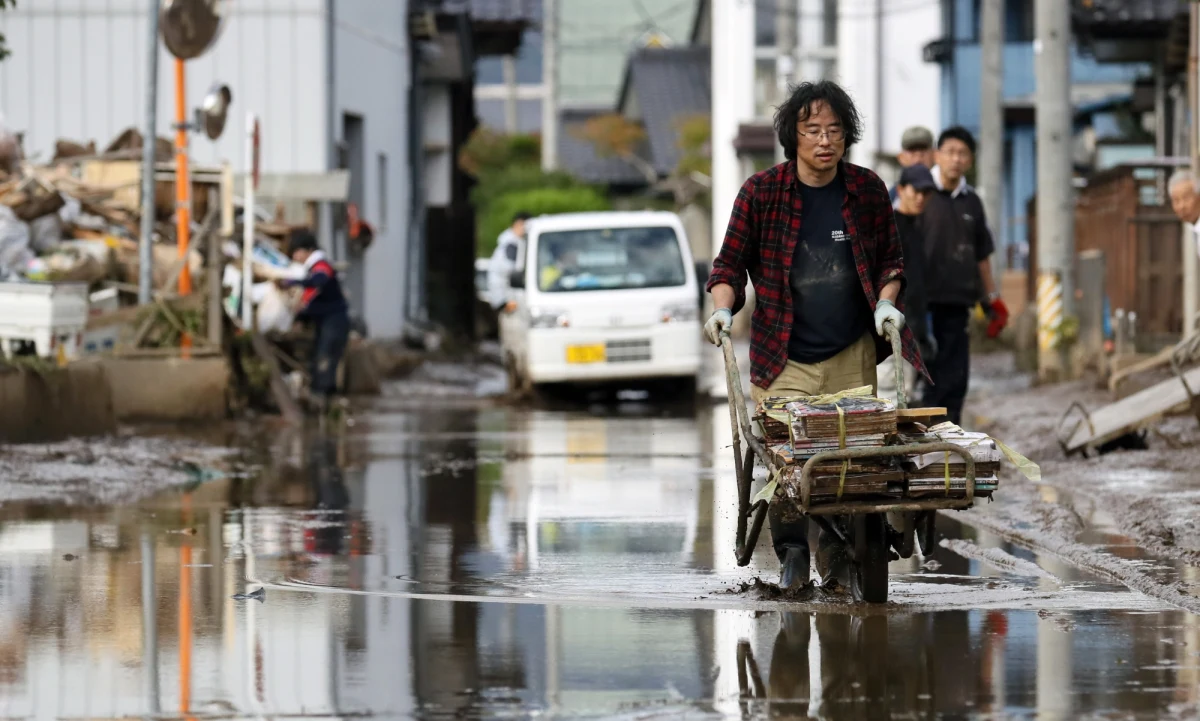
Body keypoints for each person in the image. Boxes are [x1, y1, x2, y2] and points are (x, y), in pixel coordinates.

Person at [703, 80, 928, 591]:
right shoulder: (761, 193)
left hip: (851, 353)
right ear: (793, 136)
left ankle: (840, 548)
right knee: (789, 466)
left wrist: (888, 301)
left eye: (835, 130)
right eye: (813, 130)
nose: (825, 140)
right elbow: (727, 269)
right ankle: (793, 551)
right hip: (783, 358)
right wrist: (721, 311)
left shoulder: (867, 189)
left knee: (852, 461)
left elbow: (892, 261)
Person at [920, 126, 1008, 425]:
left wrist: (991, 298)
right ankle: (921, 449)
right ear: (937, 155)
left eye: (963, 154)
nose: (956, 159)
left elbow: (982, 254)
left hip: (958, 304)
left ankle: (950, 446)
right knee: (924, 381)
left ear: (970, 161)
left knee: (955, 379)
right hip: (921, 307)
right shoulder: (918, 193)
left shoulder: (972, 201)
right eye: (950, 152)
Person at [881, 164, 937, 400]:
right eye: (916, 191)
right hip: (891, 332)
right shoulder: (889, 226)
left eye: (926, 193)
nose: (921, 198)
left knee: (909, 402)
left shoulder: (917, 227)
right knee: (890, 400)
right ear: (902, 189)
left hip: (913, 330)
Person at [282, 229, 350, 414]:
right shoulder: (313, 268)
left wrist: (294, 282)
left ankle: (322, 399)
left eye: (297, 251)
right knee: (321, 357)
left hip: (334, 321)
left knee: (325, 357)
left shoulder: (321, 266)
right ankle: (322, 399)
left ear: (308, 250)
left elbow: (318, 281)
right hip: (327, 321)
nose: (295, 256)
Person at [486, 212, 531, 310]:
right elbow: (508, 273)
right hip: (507, 301)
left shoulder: (514, 243)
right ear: (518, 224)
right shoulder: (510, 245)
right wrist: (502, 302)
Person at [889, 126, 936, 205]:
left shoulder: (947, 189)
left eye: (923, 148)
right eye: (912, 149)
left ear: (934, 155)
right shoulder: (891, 197)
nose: (918, 154)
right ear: (901, 157)